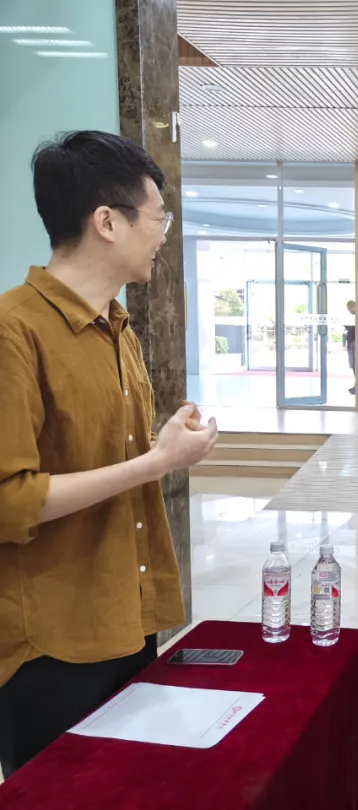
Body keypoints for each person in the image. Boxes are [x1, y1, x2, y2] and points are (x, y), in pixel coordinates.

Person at [0, 131, 219, 777]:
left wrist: (161, 446)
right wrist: (155, 462)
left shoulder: (118, 328)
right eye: (158, 219)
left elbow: (101, 457)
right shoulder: (14, 331)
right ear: (107, 222)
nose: (163, 235)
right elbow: (10, 500)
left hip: (127, 613)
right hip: (53, 642)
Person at [344, 299, 357, 394]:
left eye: (349, 308)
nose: (349, 311)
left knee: (355, 364)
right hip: (351, 342)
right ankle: (356, 384)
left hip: (355, 342)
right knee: (353, 364)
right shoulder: (351, 317)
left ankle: (357, 385)